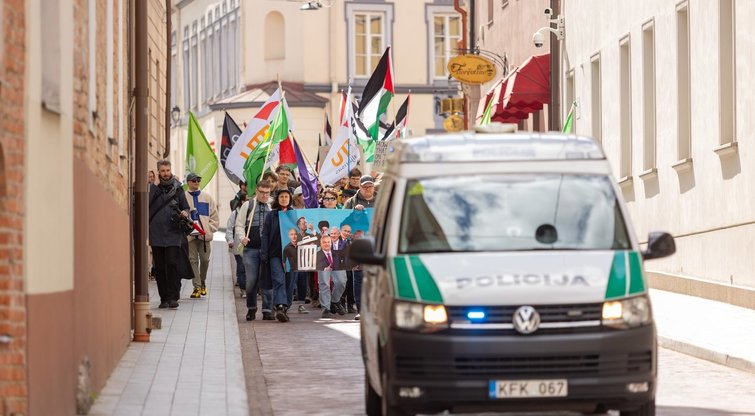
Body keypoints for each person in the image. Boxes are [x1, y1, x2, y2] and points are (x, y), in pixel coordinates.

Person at [149, 160, 190, 309]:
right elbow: (146, 206)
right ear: (158, 172)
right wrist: (153, 186)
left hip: (174, 232)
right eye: (163, 171)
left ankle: (173, 297)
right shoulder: (153, 189)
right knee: (159, 267)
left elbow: (185, 207)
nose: (166, 173)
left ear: (170, 170)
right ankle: (164, 298)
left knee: (172, 264)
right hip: (156, 234)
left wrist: (185, 212)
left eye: (167, 170)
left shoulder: (178, 189)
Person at [236, 180, 274, 321]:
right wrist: (242, 237)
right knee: (251, 280)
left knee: (268, 280)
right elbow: (239, 224)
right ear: (256, 191)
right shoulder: (248, 205)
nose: (264, 195)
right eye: (262, 192)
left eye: (267, 193)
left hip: (268, 249)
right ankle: (251, 308)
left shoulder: (272, 205)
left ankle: (267, 310)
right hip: (251, 248)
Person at [261, 188, 294, 323]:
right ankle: (280, 306)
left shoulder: (295, 215)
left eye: (286, 197)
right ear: (277, 199)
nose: (284, 199)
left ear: (290, 199)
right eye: (281, 197)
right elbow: (265, 235)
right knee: (278, 279)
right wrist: (264, 253)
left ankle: (285, 307)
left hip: (292, 255)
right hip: (275, 253)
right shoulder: (271, 215)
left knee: (290, 282)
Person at [185, 173, 219, 299]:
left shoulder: (207, 197)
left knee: (205, 260)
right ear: (188, 182)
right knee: (192, 261)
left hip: (204, 237)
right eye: (194, 180)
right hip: (190, 237)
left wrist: (208, 229)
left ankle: (202, 281)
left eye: (198, 180)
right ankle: (197, 287)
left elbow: (214, 217)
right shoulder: (183, 197)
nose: (196, 182)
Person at [226, 192, 247, 297]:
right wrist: (230, 240)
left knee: (251, 268)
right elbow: (229, 228)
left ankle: (253, 288)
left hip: (251, 245)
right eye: (247, 200)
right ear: (242, 201)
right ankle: (243, 289)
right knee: (241, 267)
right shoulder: (235, 214)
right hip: (238, 245)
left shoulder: (253, 212)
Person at [283, 229, 309, 314]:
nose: (294, 236)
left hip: (302, 267)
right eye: (291, 234)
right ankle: (287, 305)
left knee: (303, 284)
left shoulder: (302, 245)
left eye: (295, 234)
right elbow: (284, 261)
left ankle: (301, 305)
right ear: (289, 236)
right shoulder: (287, 247)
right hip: (292, 269)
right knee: (290, 286)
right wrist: (285, 270)